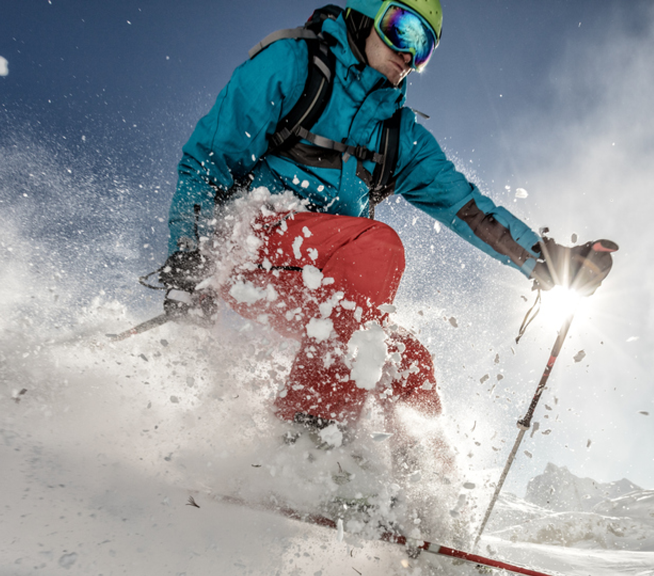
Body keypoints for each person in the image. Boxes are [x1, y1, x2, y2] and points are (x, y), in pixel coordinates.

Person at [158, 0, 614, 455]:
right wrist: (189, 255)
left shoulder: (398, 135)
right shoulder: (294, 64)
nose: (408, 55)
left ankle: (414, 491)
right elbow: (208, 162)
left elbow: (468, 208)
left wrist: (547, 261)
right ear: (366, 13)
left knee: (409, 363)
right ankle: (306, 440)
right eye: (403, 29)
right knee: (377, 246)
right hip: (249, 243)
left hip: (323, 279)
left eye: (424, 49)